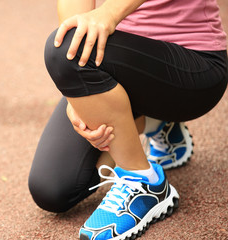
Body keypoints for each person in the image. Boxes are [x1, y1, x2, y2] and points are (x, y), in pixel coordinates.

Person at [29, 0, 227, 239]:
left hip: (192, 63)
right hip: (118, 64)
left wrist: (109, 13)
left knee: (69, 51)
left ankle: (144, 182)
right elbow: (72, 32)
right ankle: (159, 125)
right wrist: (74, 93)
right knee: (52, 188)